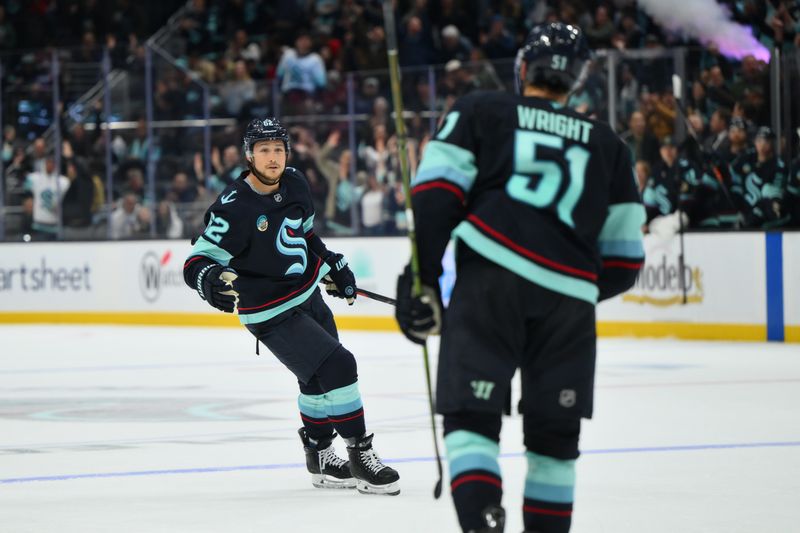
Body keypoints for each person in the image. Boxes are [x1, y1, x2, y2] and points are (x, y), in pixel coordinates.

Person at [395, 23, 645, 533]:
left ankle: (484, 523)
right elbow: (623, 262)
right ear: (575, 81)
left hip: (492, 280)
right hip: (570, 304)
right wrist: (568, 285)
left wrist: (419, 277)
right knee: (555, 442)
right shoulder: (610, 146)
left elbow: (436, 195)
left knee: (471, 419)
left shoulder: (481, 109)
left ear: (524, 68)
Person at [182, 118, 399, 495]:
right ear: (250, 156)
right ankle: (359, 454)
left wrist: (331, 263)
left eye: (278, 149)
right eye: (263, 150)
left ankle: (319, 455)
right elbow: (196, 260)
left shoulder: (297, 182)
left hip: (307, 294)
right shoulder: (234, 207)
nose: (272, 157)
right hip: (269, 312)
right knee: (339, 365)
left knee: (315, 381)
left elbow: (305, 233)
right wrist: (209, 280)